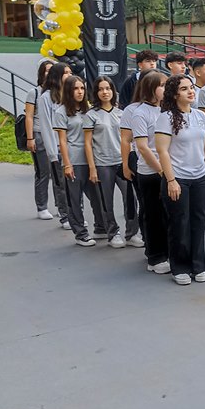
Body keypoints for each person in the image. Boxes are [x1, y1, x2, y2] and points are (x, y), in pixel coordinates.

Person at [155, 76, 205, 285]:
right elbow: (162, 151)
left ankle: (198, 266)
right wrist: (171, 180)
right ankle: (179, 267)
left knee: (199, 222)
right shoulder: (166, 118)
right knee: (179, 223)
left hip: (200, 176)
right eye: (184, 89)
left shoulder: (200, 116)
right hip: (178, 178)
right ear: (174, 94)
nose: (191, 91)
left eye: (191, 88)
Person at [84, 77, 142, 249]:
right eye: (101, 89)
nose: (105, 92)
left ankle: (132, 233)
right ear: (96, 92)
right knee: (106, 201)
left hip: (122, 162)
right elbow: (87, 143)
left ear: (113, 91)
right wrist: (92, 168)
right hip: (103, 164)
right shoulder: (91, 115)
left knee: (130, 199)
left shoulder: (122, 113)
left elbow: (129, 140)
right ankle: (112, 233)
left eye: (108, 88)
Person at [53, 76, 105, 247]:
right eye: (76, 89)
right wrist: (67, 164)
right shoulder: (61, 112)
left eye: (82, 88)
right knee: (74, 199)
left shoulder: (88, 109)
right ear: (68, 91)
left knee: (97, 196)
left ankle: (101, 227)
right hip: (73, 160)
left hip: (91, 160)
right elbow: (62, 141)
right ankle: (81, 233)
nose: (80, 92)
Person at [130, 70, 170, 274]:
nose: (165, 88)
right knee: (152, 215)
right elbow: (143, 147)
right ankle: (154, 256)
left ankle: (167, 251)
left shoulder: (166, 110)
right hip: (150, 172)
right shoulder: (140, 113)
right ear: (150, 88)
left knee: (167, 215)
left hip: (168, 170)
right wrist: (161, 170)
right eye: (161, 85)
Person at [38, 62, 72, 228]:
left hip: (73, 147)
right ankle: (65, 216)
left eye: (70, 71)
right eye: (65, 72)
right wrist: (52, 153)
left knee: (74, 184)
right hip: (57, 148)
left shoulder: (71, 94)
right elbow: (45, 125)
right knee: (61, 184)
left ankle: (75, 214)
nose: (69, 74)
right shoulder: (46, 98)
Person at [24, 60, 54, 219]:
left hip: (56, 135)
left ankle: (61, 207)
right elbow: (29, 116)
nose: (49, 73)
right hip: (39, 134)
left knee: (59, 173)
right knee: (43, 172)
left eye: (52, 70)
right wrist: (30, 138)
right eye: (47, 70)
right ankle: (42, 207)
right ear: (41, 73)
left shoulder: (59, 92)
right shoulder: (34, 92)